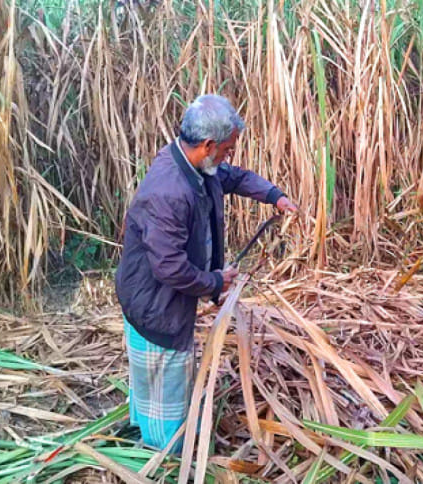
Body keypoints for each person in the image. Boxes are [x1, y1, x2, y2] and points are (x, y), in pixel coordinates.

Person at [115, 94, 298, 451]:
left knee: (159, 381)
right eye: (228, 149)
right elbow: (170, 267)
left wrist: (274, 196)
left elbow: (236, 177)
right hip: (154, 304)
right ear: (209, 145)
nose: (229, 156)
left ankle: (156, 432)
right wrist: (214, 281)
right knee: (165, 378)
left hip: (162, 297)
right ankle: (164, 457)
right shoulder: (169, 191)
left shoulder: (197, 166)